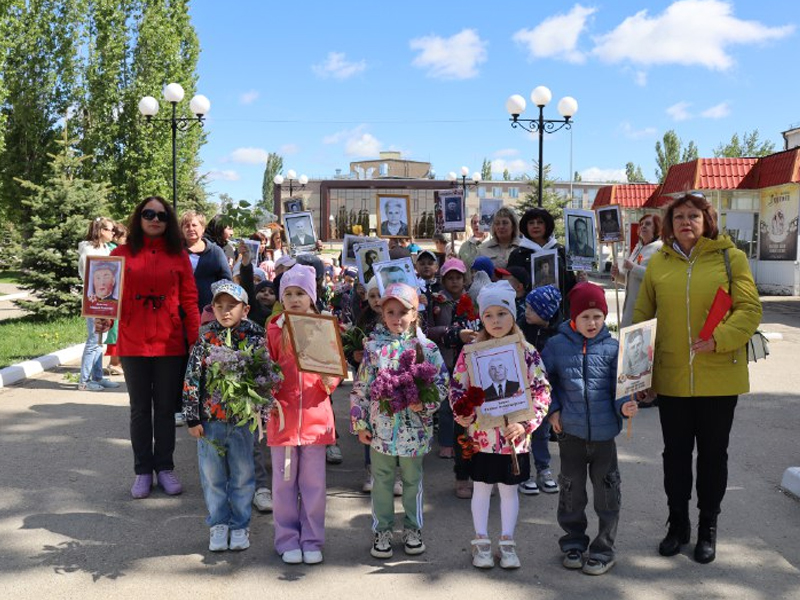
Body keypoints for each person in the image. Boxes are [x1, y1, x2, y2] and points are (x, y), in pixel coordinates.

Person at [633, 193, 761, 564]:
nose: (685, 222)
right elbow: (643, 317)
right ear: (669, 224)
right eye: (678, 217)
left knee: (712, 457)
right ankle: (677, 524)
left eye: (693, 216)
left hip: (719, 377)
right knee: (674, 457)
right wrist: (637, 375)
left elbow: (750, 309)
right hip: (671, 379)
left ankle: (708, 527)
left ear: (707, 220)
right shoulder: (658, 263)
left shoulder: (730, 258)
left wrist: (719, 339)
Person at [449, 280, 551, 569]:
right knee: (481, 486)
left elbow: (542, 389)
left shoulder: (526, 351)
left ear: (513, 314)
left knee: (509, 489)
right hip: (482, 435)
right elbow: (457, 387)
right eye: (489, 315)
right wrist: (463, 413)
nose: (496, 321)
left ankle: (507, 542)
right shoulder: (471, 351)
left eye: (502, 314)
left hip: (513, 437)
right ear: (481, 318)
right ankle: (481, 542)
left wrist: (526, 424)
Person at [542, 282, 638, 576]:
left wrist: (625, 404)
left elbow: (621, 387)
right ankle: (573, 542)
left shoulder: (613, 347)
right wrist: (553, 409)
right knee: (571, 491)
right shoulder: (556, 346)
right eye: (585, 316)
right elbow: (545, 382)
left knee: (607, 492)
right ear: (573, 317)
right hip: (569, 433)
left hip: (604, 435)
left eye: (597, 315)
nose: (592, 322)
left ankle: (603, 548)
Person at [350, 283, 449, 560]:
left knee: (412, 481)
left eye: (403, 311)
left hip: (414, 432)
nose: (396, 318)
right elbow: (361, 387)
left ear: (415, 313)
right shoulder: (373, 349)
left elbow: (442, 383)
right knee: (381, 481)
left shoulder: (426, 348)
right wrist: (360, 424)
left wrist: (425, 403)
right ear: (382, 314)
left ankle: (413, 528)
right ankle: (382, 529)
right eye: (390, 311)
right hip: (381, 431)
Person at [109, 196, 199, 499]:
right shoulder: (120, 254)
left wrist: (196, 338)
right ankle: (143, 471)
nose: (155, 219)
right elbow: (108, 295)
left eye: (161, 215)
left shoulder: (179, 255)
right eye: (148, 213)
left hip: (169, 342)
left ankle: (165, 468)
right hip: (133, 342)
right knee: (139, 411)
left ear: (168, 221)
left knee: (164, 410)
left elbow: (189, 299)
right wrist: (102, 318)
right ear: (139, 217)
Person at [183, 281, 273, 552]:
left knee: (244, 474)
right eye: (218, 306)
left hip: (242, 420)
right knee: (212, 475)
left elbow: (265, 375)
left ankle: (240, 524)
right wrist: (192, 416)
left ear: (245, 309)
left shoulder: (256, 335)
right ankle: (219, 523)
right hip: (210, 420)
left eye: (231, 306)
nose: (224, 312)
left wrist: (263, 414)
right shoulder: (206, 337)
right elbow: (192, 377)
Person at [266, 264, 341, 565]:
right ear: (282, 298)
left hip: (315, 419)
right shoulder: (274, 328)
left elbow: (335, 367)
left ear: (312, 296)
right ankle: (286, 539)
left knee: (313, 485)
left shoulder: (322, 326)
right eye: (289, 293)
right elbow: (265, 366)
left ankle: (312, 539)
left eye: (301, 293)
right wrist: (266, 391)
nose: (295, 299)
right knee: (283, 484)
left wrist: (329, 382)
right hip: (282, 419)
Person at [426, 258, 479, 486]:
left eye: (458, 277)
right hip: (446, 358)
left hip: (469, 359)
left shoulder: (472, 298)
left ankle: (470, 444)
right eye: (450, 278)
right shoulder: (438, 300)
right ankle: (447, 442)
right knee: (447, 405)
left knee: (468, 405)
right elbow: (428, 329)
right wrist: (451, 332)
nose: (455, 281)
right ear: (444, 279)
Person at [517, 285, 562, 496]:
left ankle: (543, 468)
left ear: (546, 313)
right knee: (522, 432)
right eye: (526, 306)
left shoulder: (557, 336)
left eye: (532, 309)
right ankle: (522, 472)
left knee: (542, 432)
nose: (527, 312)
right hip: (519, 390)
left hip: (542, 394)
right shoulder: (520, 328)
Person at [508, 207, 579, 319]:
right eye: (531, 223)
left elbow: (569, 284)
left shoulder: (561, 251)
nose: (535, 226)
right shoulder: (518, 254)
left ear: (547, 225)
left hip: (560, 314)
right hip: (528, 316)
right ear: (526, 227)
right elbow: (510, 287)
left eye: (540, 222)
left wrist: (580, 280)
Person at [77, 217, 121, 392]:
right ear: (101, 231)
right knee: (93, 340)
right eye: (111, 230)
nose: (113, 233)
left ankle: (97, 377)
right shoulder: (88, 249)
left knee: (100, 340)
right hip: (94, 301)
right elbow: (88, 274)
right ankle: (84, 381)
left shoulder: (104, 247)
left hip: (107, 300)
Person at [611, 214, 663, 328]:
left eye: (648, 224)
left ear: (657, 228)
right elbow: (630, 280)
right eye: (642, 224)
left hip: (645, 311)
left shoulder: (660, 249)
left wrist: (633, 268)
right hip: (629, 309)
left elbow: (657, 278)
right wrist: (618, 275)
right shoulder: (637, 248)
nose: (643, 226)